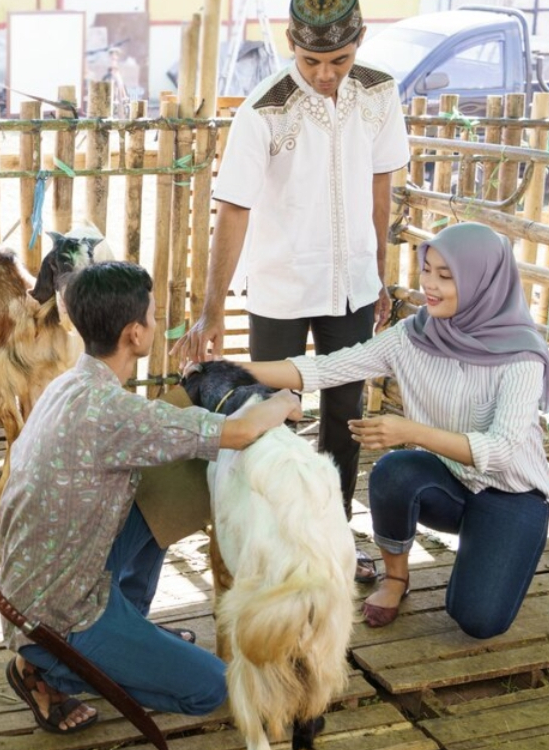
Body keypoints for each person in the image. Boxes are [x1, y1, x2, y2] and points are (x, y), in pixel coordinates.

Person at [0, 261, 302, 734]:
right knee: (212, 688)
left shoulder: (71, 384)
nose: (158, 325)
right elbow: (239, 433)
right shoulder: (115, 411)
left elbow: (170, 432)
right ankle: (47, 669)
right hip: (58, 618)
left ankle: (128, 629)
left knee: (167, 481)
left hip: (34, 585)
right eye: (155, 317)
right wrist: (283, 401)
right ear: (135, 334)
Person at [171, 0, 410, 585]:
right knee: (267, 420)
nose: (326, 74)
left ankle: (333, 541)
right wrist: (209, 312)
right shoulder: (263, 107)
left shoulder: (379, 93)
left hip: (351, 287)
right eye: (311, 60)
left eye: (339, 60)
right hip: (279, 288)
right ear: (289, 44)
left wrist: (378, 275)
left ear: (360, 43)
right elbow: (233, 209)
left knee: (345, 420)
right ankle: (271, 546)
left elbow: (380, 191)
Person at [239, 222, 549, 638]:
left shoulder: (520, 354)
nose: (430, 285)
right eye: (428, 270)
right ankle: (395, 578)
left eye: (446, 276)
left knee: (478, 621)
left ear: (483, 281)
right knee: (393, 472)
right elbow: (327, 367)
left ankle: (502, 543)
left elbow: (500, 452)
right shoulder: (415, 335)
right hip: (453, 482)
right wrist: (233, 370)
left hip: (512, 494)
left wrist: (411, 431)